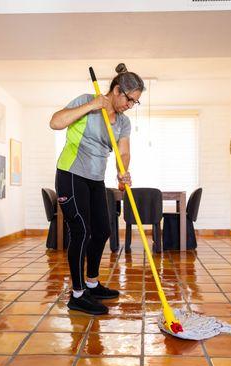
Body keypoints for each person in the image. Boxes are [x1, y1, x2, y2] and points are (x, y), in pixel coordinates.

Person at [49, 63, 145, 315]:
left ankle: (92, 283)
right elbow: (55, 122)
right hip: (71, 174)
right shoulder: (87, 101)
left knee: (103, 229)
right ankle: (78, 295)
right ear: (117, 90)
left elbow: (123, 152)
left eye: (135, 102)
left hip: (95, 179)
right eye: (130, 99)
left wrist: (122, 172)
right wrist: (93, 105)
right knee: (81, 231)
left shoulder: (123, 123)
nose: (130, 105)